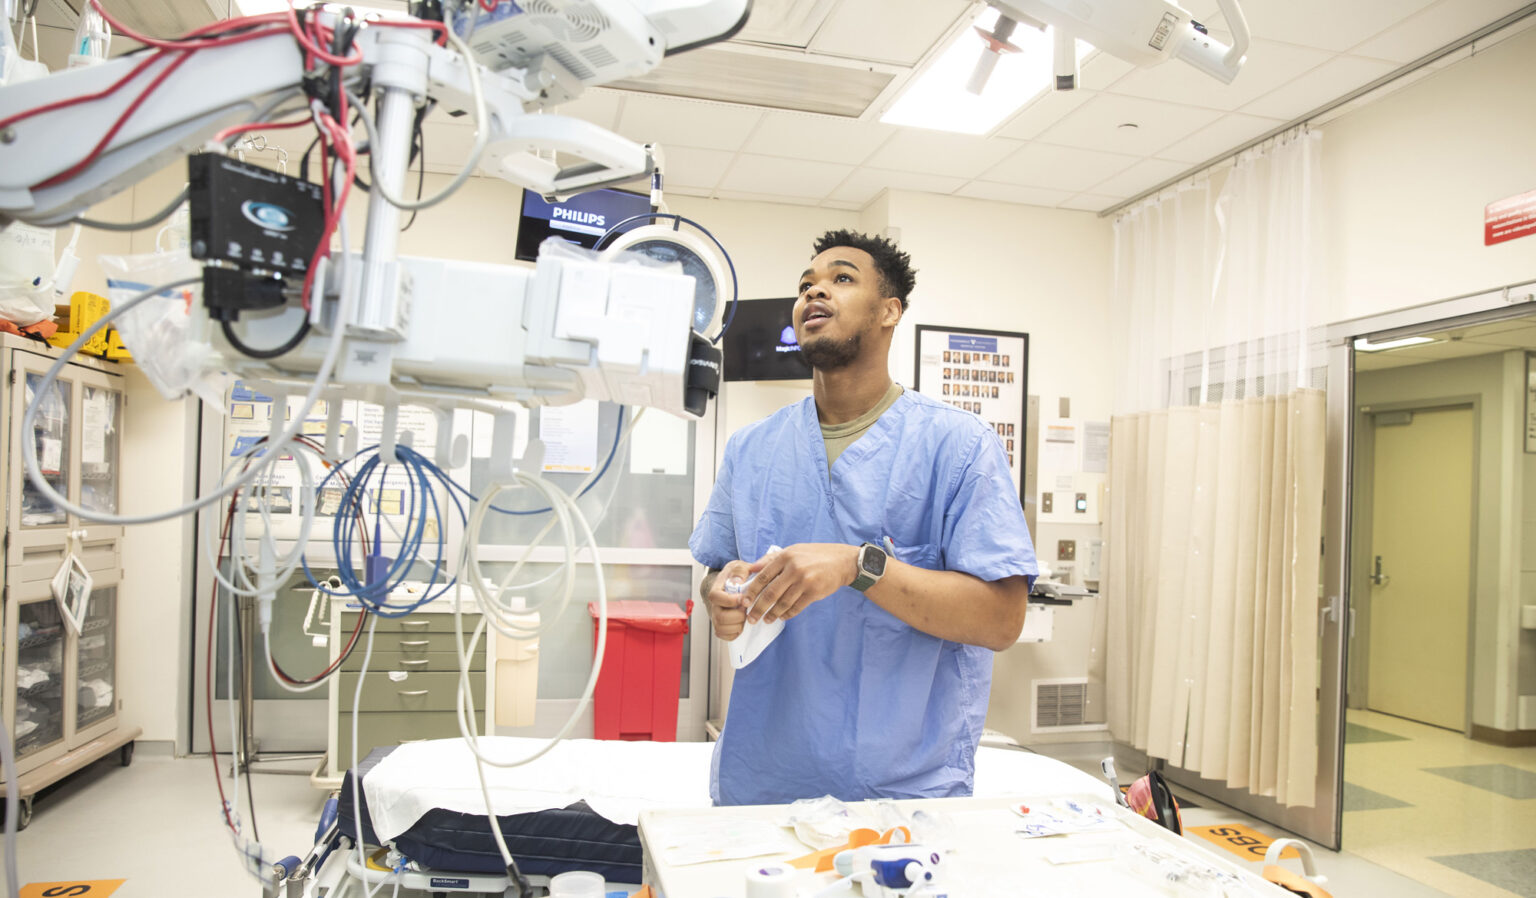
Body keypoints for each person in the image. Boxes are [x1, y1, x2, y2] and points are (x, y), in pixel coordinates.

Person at [689, 229, 1037, 806]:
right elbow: (715, 569)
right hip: (765, 779)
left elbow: (1002, 621)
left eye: (842, 278)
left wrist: (860, 565)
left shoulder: (958, 447)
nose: (814, 292)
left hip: (904, 791)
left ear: (889, 311)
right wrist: (718, 594)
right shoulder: (751, 450)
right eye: (806, 284)